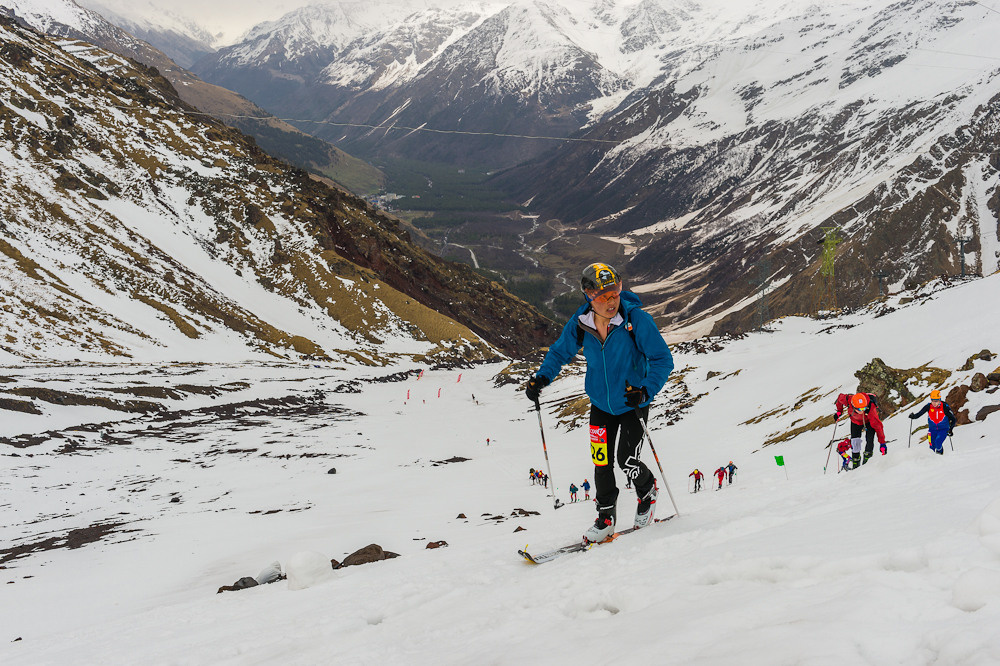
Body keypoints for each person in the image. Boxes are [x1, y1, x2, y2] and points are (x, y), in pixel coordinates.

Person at [524, 263, 674, 543]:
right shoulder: (581, 323)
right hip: (600, 404)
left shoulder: (636, 321)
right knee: (601, 461)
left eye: (615, 292)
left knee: (626, 460)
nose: (611, 300)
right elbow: (559, 353)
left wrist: (645, 390)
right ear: (589, 296)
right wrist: (541, 378)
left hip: (633, 402)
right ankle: (606, 517)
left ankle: (647, 490)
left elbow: (663, 360)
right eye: (603, 296)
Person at [835, 391, 886, 468]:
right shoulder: (848, 399)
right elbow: (839, 398)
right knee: (855, 443)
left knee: (869, 440)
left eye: (864, 408)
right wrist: (839, 411)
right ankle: (856, 462)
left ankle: (867, 460)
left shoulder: (870, 408)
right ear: (853, 406)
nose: (862, 410)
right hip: (855, 422)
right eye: (859, 409)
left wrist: (882, 443)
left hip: (868, 422)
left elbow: (878, 426)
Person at [909, 389, 955, 455]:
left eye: (936, 401)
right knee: (931, 447)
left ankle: (940, 455)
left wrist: (950, 430)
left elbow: (953, 419)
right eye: (932, 400)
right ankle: (932, 461)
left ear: (939, 399)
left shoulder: (945, 407)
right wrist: (913, 416)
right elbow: (919, 414)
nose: (934, 403)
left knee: (938, 443)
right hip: (932, 430)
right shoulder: (928, 406)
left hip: (943, 429)